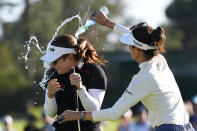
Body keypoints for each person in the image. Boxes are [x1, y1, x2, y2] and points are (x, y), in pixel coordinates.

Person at [56, 11, 195, 131]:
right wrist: (106, 22)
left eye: (130, 45)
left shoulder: (143, 78)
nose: (128, 48)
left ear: (138, 49)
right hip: (187, 126)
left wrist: (78, 115)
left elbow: (114, 113)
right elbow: (138, 38)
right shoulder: (159, 59)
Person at [41, 34, 107, 131]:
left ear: (70, 57)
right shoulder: (53, 74)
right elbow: (50, 113)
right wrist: (50, 96)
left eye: (55, 61)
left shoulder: (93, 71)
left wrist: (80, 88)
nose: (53, 65)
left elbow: (94, 110)